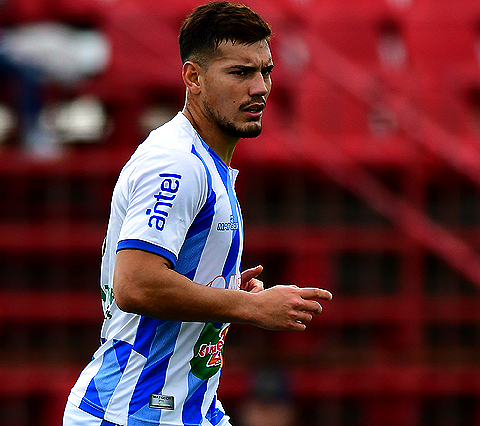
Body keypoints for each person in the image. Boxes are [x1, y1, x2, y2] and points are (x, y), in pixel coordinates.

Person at [62, 2, 333, 425]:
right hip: (131, 412)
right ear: (193, 78)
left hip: (187, 409)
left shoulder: (204, 161)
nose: (260, 87)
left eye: (266, 71)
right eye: (240, 72)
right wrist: (248, 308)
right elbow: (135, 284)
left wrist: (224, 287)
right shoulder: (177, 164)